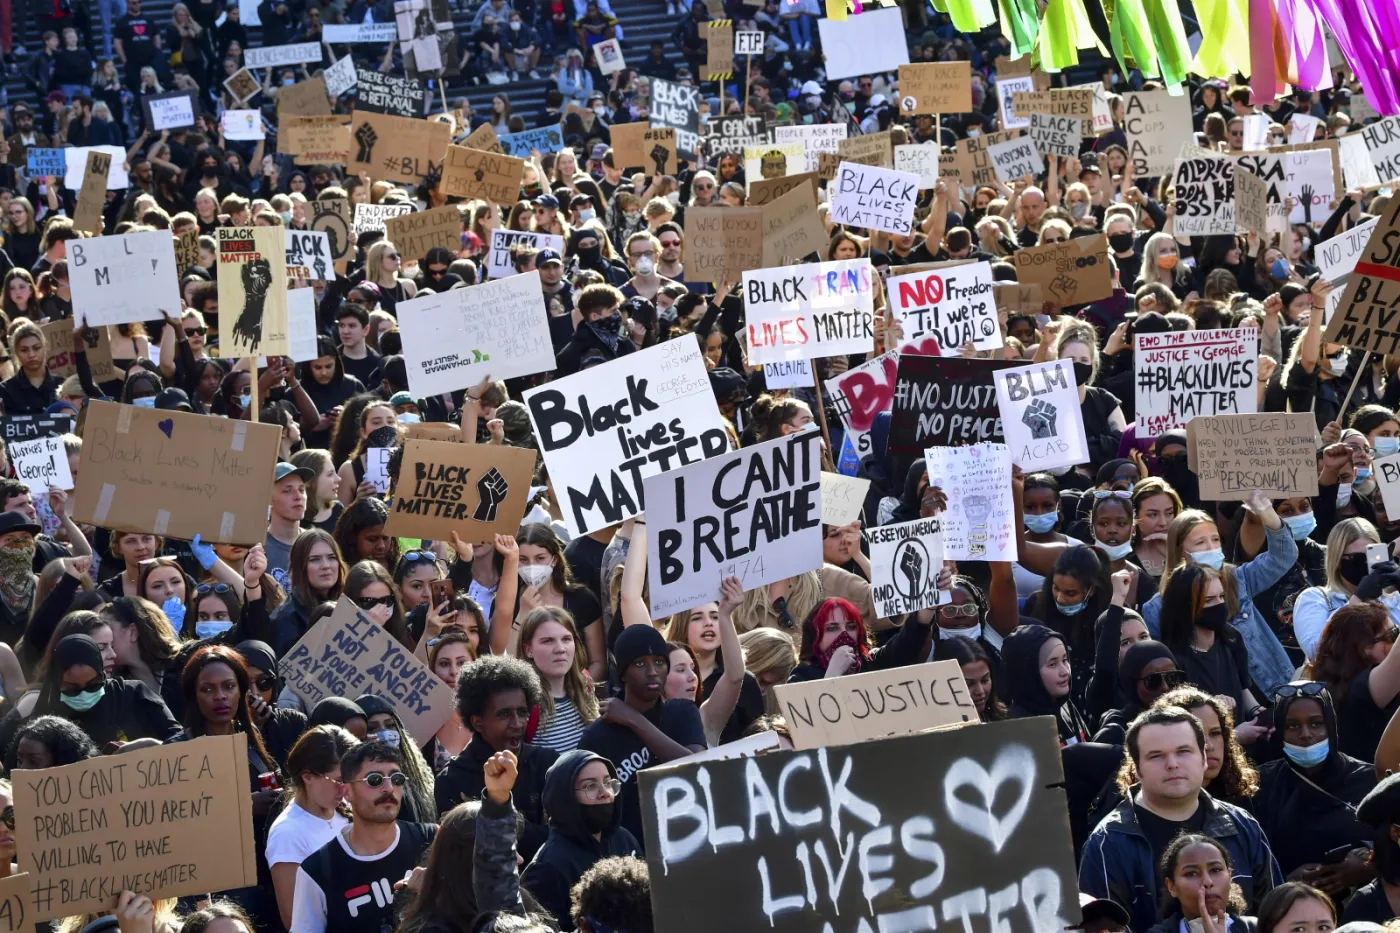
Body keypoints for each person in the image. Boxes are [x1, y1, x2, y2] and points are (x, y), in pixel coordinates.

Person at [1079, 706, 1282, 933]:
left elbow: (1276, 918)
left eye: (1184, 751)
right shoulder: (1108, 843)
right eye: (1156, 755)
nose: (1172, 764)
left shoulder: (1242, 826)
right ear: (1136, 768)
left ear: (1204, 758)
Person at [577, 624, 705, 852]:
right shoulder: (596, 737)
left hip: (691, 846)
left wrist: (634, 720)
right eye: (639, 664)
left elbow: (697, 767)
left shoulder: (682, 712)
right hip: (633, 857)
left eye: (659, 662)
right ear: (623, 673)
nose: (652, 671)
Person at [290, 739, 437, 933]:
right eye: (374, 780)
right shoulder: (317, 872)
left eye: (396, 779)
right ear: (346, 792)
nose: (388, 788)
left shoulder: (433, 839)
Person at [432, 654, 558, 861]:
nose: (517, 723)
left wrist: (496, 823)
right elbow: (464, 850)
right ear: (478, 722)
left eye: (522, 712)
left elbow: (565, 837)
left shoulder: (548, 764)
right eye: (504, 714)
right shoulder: (452, 781)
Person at [1253, 682, 1374, 888]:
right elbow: (1251, 859)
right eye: (1293, 726)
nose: (1306, 734)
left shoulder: (1368, 779)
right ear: (1280, 731)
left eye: (1316, 723)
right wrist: (1285, 883)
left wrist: (1369, 864)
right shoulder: (1261, 784)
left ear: (1331, 725)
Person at [521, 750, 641, 928]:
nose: (605, 793)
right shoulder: (548, 867)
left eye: (608, 783)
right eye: (590, 786)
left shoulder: (623, 838)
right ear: (565, 798)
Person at [266, 725, 359, 930]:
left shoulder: (348, 809)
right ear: (307, 776)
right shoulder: (287, 834)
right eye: (338, 781)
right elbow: (297, 922)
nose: (346, 790)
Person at [1307, 601, 1400, 763]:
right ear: (1364, 648)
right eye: (1391, 634)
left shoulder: (1341, 687)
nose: (1395, 640)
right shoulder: (1358, 690)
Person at [518, 607, 600, 754]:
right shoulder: (523, 702)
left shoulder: (584, 683)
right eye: (548, 641)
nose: (560, 649)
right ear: (528, 649)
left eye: (566, 639)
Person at [1001, 623, 1089, 745]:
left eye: (1065, 660)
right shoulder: (1016, 729)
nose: (1064, 671)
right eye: (1052, 664)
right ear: (1029, 672)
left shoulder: (1065, 706)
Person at [1151, 833, 1255, 933]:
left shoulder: (1257, 928)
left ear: (1229, 876)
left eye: (1216, 870)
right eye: (1191, 874)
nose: (1207, 882)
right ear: (1172, 886)